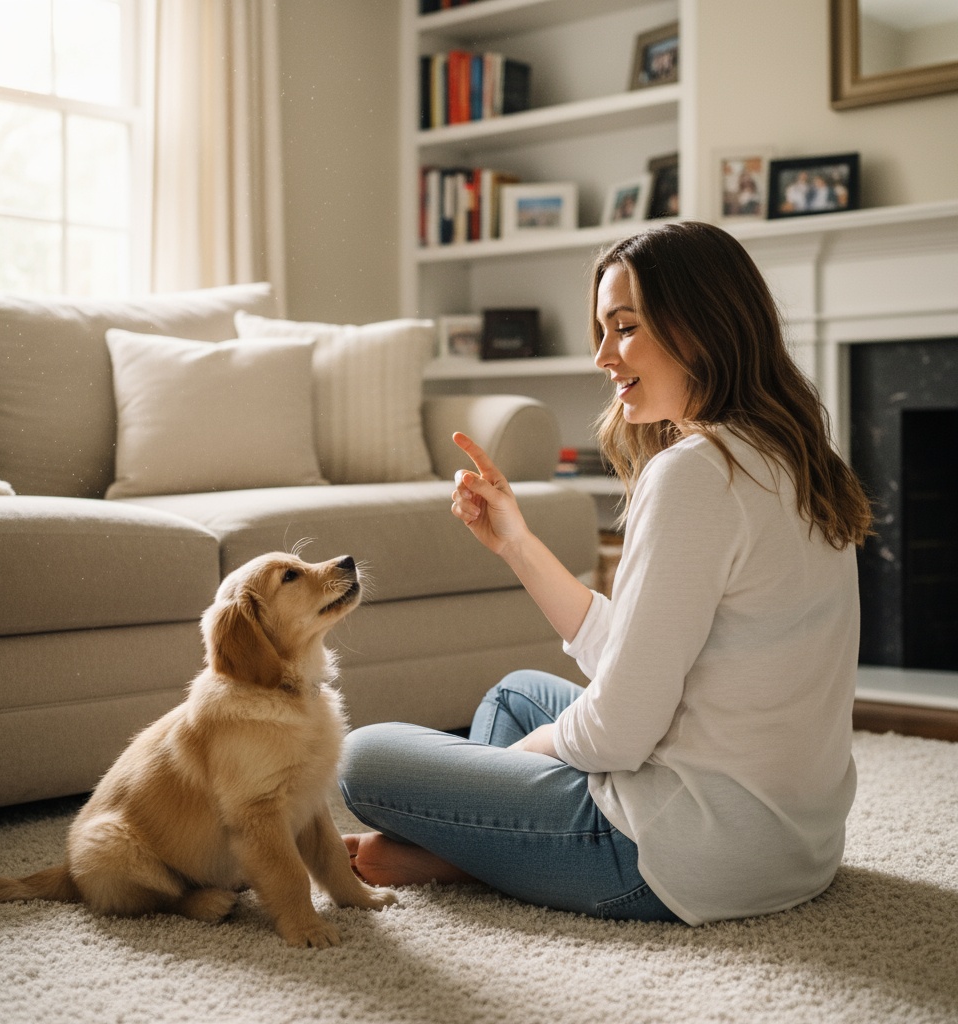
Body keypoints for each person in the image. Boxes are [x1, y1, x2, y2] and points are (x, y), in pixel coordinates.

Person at [339, 221, 873, 925]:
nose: (601, 355)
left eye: (623, 328)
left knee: (363, 757)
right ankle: (472, 852)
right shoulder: (795, 459)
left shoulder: (694, 474)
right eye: (602, 329)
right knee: (514, 695)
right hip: (791, 847)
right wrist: (516, 543)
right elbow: (642, 655)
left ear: (701, 325)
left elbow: (619, 730)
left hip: (676, 855)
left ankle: (466, 852)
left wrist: (512, 770)